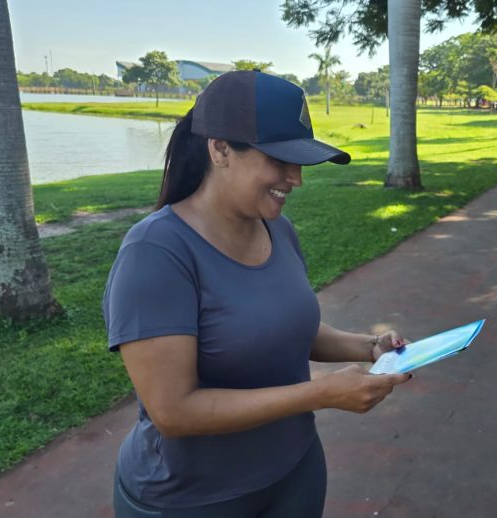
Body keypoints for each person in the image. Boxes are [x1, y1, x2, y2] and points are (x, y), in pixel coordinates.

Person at [103, 71, 412, 517]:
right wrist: (320, 393)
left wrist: (370, 346)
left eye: (300, 162)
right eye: (280, 159)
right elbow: (173, 411)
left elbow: (285, 328)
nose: (296, 178)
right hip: (193, 501)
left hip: (296, 473)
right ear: (220, 150)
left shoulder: (277, 229)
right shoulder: (155, 251)